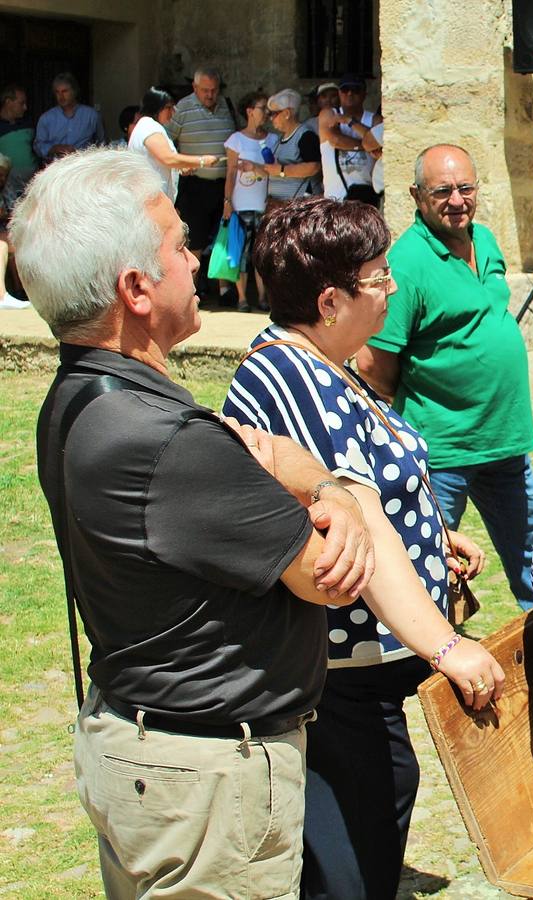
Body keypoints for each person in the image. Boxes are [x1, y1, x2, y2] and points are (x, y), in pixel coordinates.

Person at [16, 147, 374, 897]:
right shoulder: (169, 443)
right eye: (179, 245)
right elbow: (328, 576)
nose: (195, 256)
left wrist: (330, 490)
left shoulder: (87, 397)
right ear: (137, 289)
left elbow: (270, 455)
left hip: (151, 748)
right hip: (206, 779)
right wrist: (339, 500)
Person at [223, 196, 505, 898]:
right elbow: (350, 519)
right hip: (335, 671)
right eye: (379, 278)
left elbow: (376, 480)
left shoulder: (327, 363)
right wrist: (448, 645)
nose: (393, 289)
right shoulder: (288, 375)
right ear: (330, 300)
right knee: (351, 852)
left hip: (366, 665)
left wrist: (432, 534)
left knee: (378, 810)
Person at [356, 144, 533, 610]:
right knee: (428, 566)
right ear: (417, 196)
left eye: (465, 188)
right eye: (442, 191)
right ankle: (425, 665)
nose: (456, 200)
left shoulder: (486, 240)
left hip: (505, 440)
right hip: (442, 450)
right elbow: (374, 363)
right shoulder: (407, 263)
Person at [167, 67, 237, 303]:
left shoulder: (227, 105)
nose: (210, 95)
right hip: (195, 185)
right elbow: (167, 142)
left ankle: (225, 290)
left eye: (213, 90)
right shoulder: (183, 109)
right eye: (205, 90)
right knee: (194, 240)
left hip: (223, 185)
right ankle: (192, 291)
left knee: (223, 238)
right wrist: (181, 164)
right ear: (195, 88)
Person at [223, 92, 280, 311]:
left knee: (263, 253)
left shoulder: (273, 139)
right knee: (243, 251)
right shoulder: (236, 140)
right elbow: (230, 174)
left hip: (265, 203)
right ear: (249, 111)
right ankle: (242, 298)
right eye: (262, 108)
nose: (266, 113)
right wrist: (227, 201)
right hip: (241, 203)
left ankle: (263, 298)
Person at [128, 87, 219, 201]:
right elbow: (167, 158)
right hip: (149, 201)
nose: (173, 111)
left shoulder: (150, 126)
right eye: (169, 107)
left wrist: (180, 167)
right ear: (156, 107)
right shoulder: (149, 127)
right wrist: (201, 161)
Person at [318, 73, 380, 204]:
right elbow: (335, 140)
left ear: (364, 94)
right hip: (336, 199)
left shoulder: (375, 120)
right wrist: (367, 146)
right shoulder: (328, 114)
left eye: (356, 90)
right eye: (345, 90)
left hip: (366, 198)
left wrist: (349, 121)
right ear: (339, 93)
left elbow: (376, 141)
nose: (350, 94)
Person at [262, 89, 323, 204]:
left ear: (286, 114)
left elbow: (314, 167)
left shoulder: (306, 136)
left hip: (300, 207)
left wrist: (281, 170)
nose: (271, 119)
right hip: (281, 206)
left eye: (273, 114)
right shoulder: (280, 139)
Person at [34, 73, 104, 162]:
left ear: (74, 91)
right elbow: (38, 146)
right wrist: (54, 148)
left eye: (64, 91)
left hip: (83, 166)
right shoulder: (46, 118)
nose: (61, 96)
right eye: (57, 92)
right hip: (55, 167)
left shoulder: (92, 115)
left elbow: (102, 144)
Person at [0, 153, 26, 309]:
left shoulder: (6, 188)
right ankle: (3, 296)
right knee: (3, 246)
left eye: (4, 175)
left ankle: (19, 291)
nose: (1, 179)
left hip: (4, 231)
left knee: (17, 242)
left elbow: (14, 212)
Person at [0, 85, 37, 191]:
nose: (25, 107)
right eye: (21, 103)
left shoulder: (28, 123)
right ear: (8, 102)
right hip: (7, 187)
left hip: (32, 184)